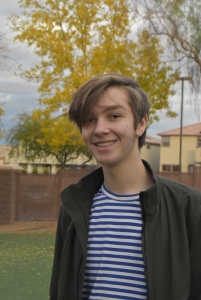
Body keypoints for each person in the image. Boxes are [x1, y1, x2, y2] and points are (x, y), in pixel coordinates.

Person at [50, 73, 201, 300]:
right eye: (89, 120)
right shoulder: (74, 207)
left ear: (141, 123)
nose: (100, 129)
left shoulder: (189, 207)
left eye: (114, 115)